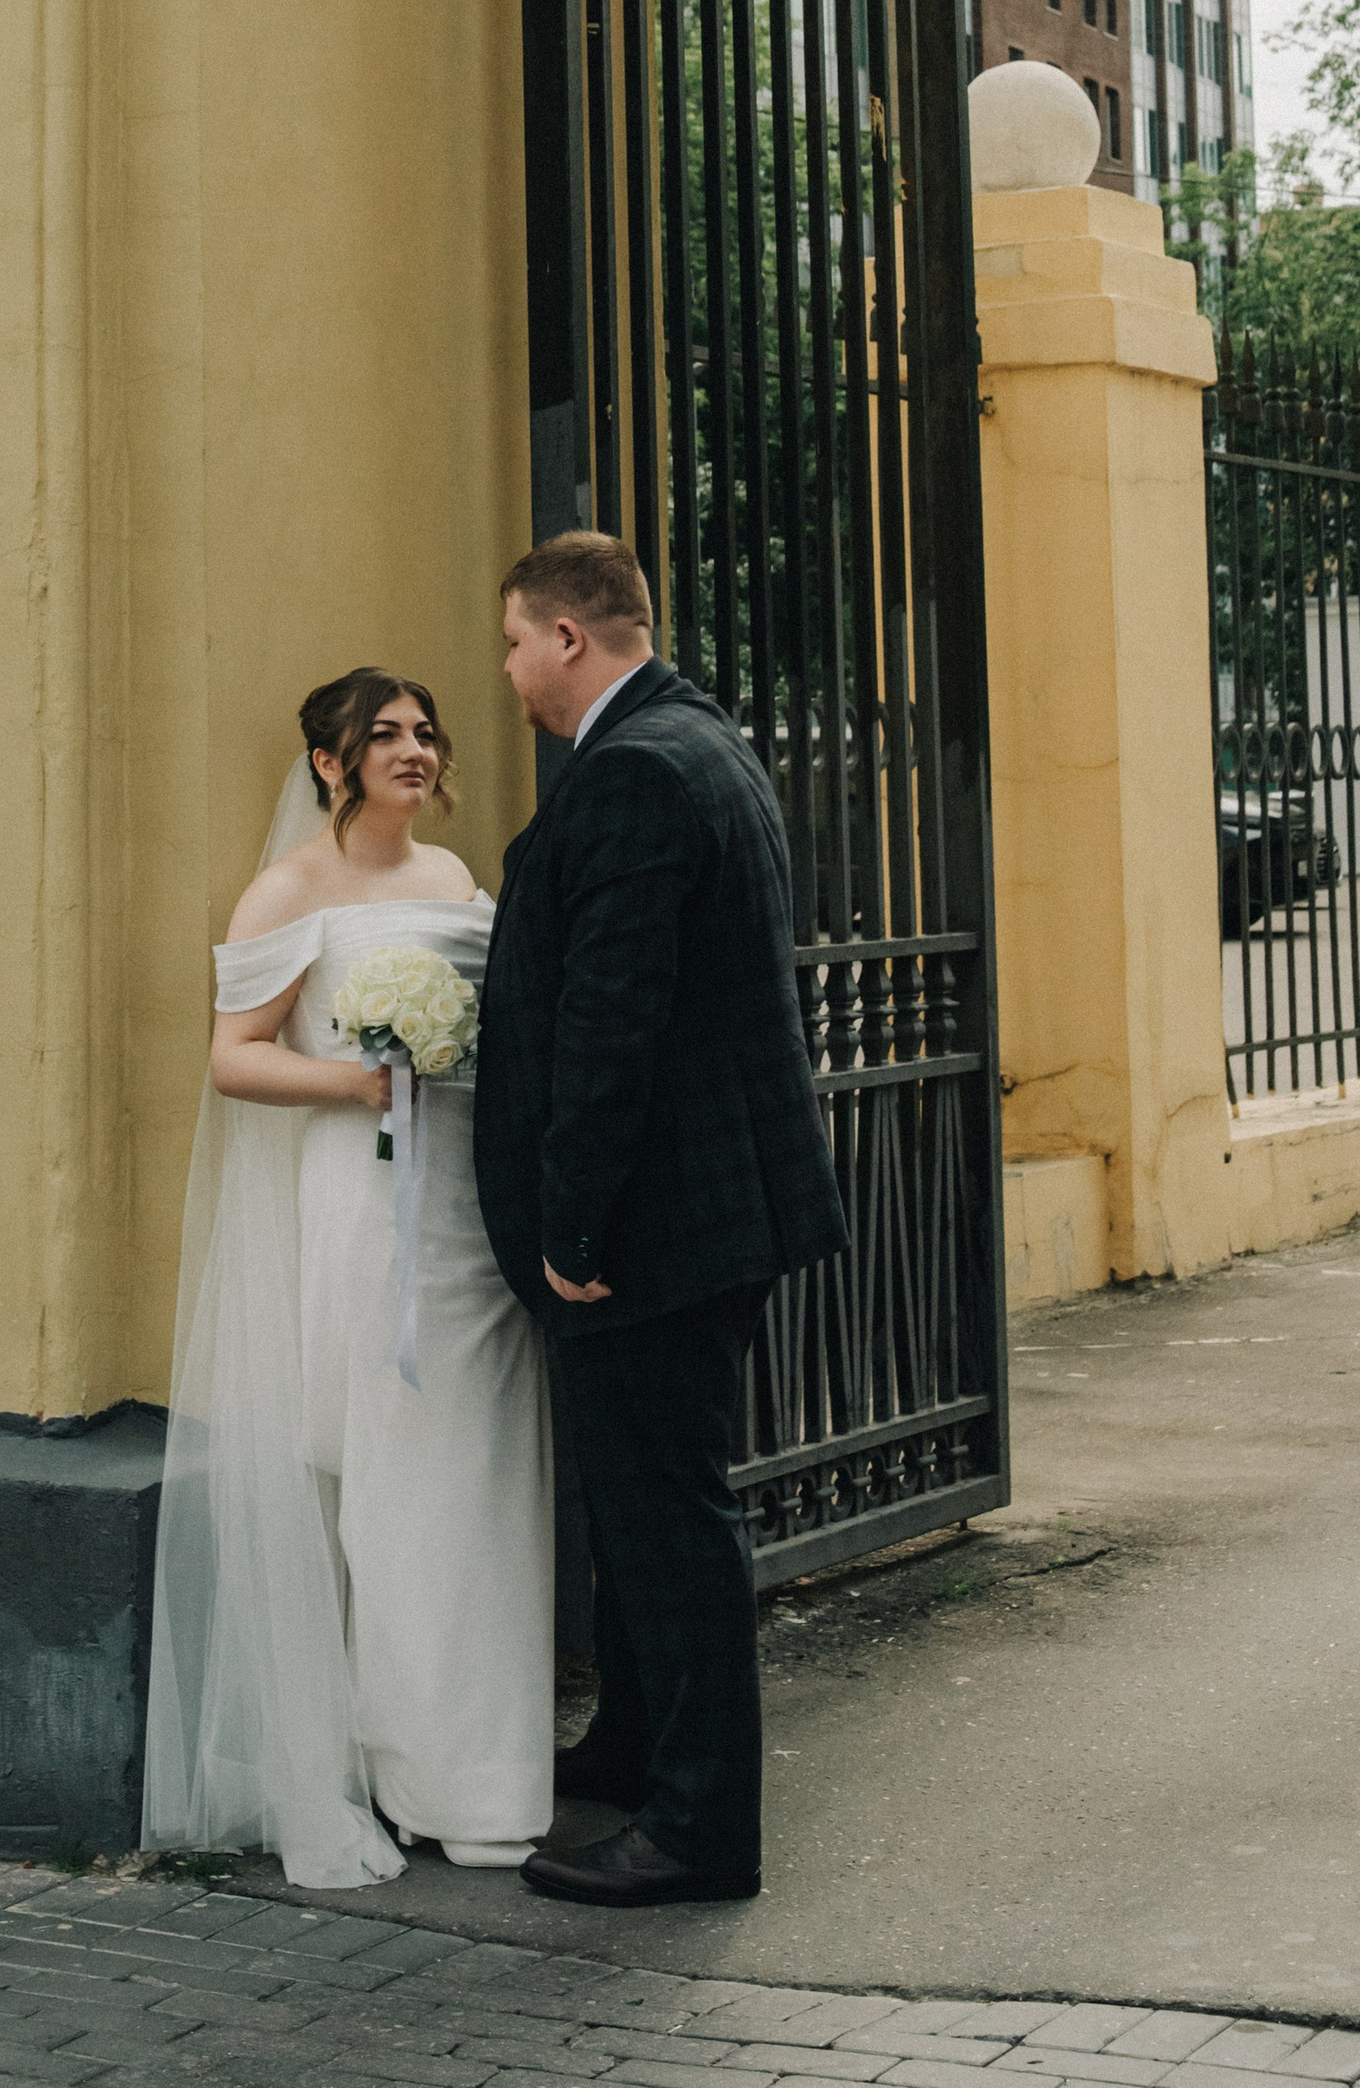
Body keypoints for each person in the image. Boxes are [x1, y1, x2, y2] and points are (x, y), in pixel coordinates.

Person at [472, 532, 848, 1909]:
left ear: (569, 639)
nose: (508, 672)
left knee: (671, 1521)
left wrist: (572, 1231)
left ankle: (698, 1829)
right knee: (638, 1513)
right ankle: (636, 1746)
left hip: (653, 1227)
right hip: (709, 1208)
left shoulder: (630, 774)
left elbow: (609, 1029)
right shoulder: (702, 739)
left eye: (514, 643)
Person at [141, 668, 554, 1887]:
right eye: (385, 737)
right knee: (397, 1483)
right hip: (368, 1203)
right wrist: (364, 1078)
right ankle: (409, 1770)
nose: (414, 751)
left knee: (484, 1477)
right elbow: (234, 1061)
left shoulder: (455, 881)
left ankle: (488, 1772)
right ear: (330, 762)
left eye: (424, 733)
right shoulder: (291, 889)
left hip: (469, 1209)